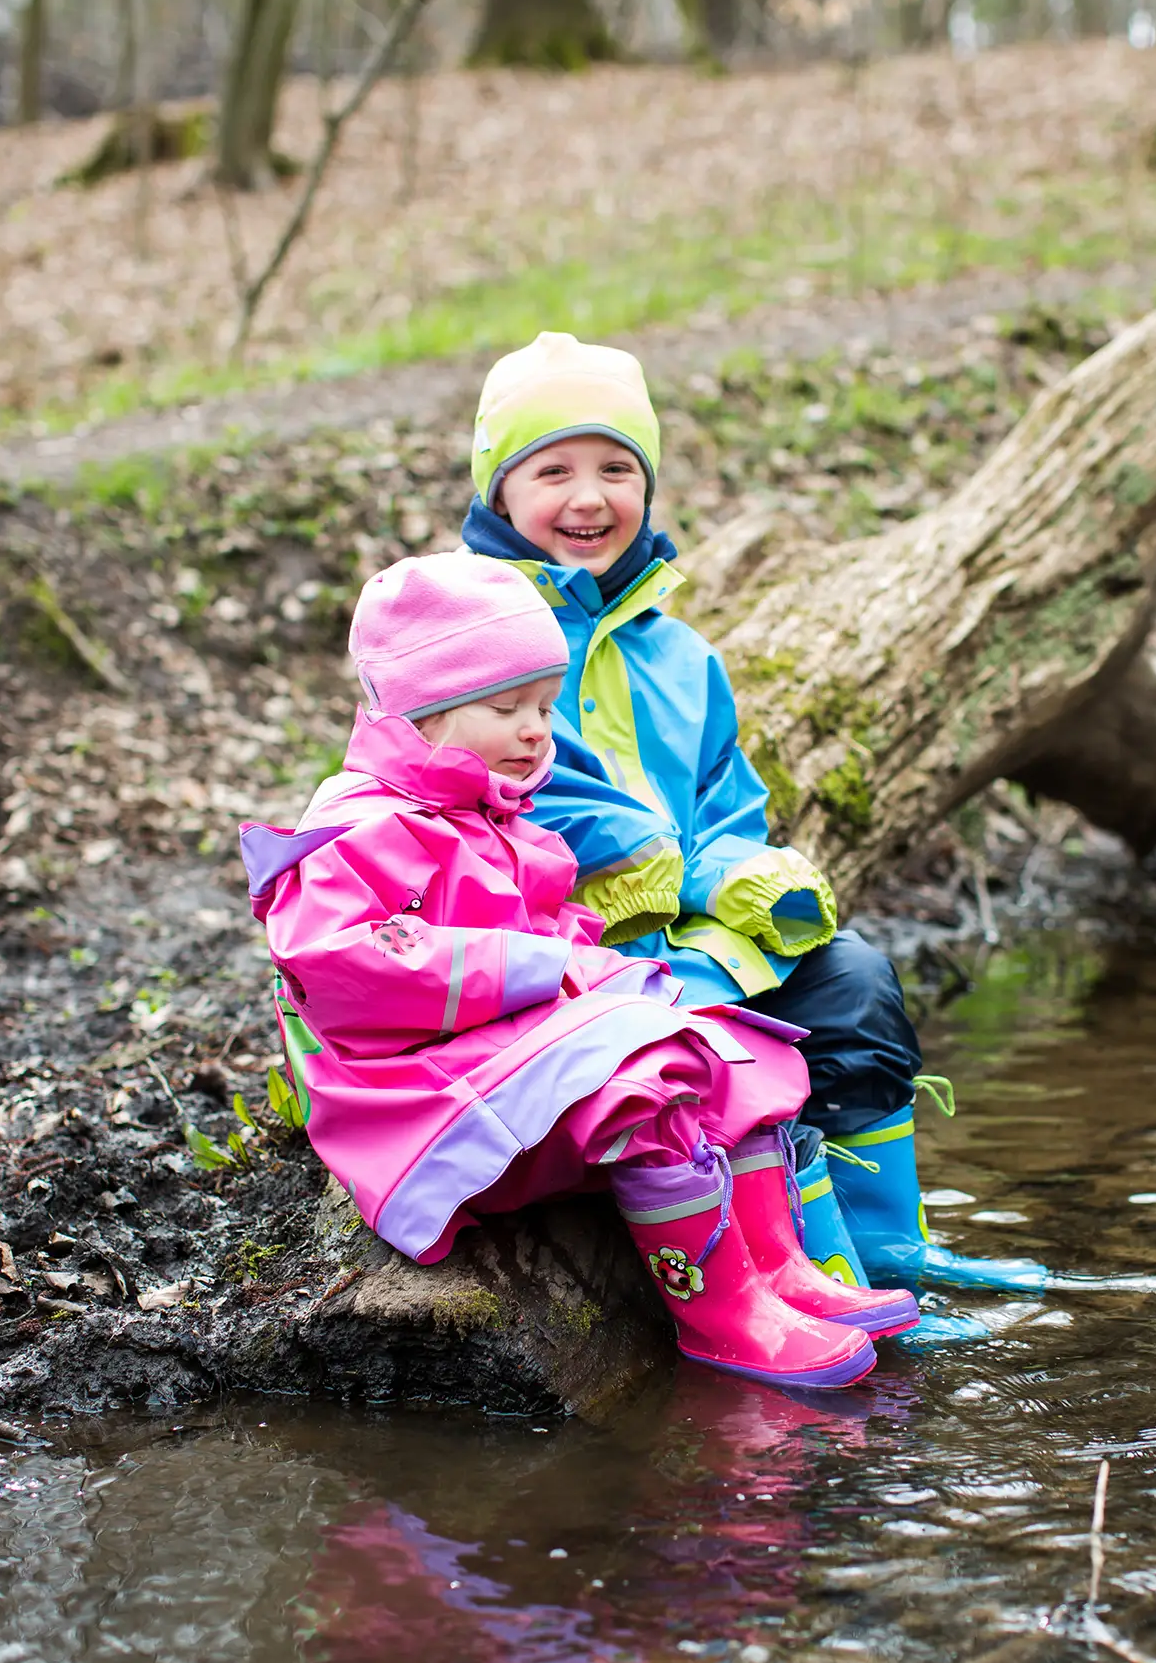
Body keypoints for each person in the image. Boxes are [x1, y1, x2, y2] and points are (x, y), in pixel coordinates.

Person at [459, 332, 1044, 1314]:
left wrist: (745, 872)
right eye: (552, 469)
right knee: (736, 1051)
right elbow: (525, 798)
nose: (589, 497)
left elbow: (728, 804)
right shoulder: (479, 638)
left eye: (616, 467)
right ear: (499, 493)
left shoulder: (680, 654)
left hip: (686, 932)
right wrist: (688, 875)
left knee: (852, 981)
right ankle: (814, 1279)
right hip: (566, 952)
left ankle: (893, 1240)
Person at [239, 551, 921, 1390]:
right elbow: (348, 965)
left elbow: (560, 931)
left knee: (716, 1044)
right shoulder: (361, 830)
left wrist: (603, 977)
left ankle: (775, 1272)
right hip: (415, 1095)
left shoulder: (484, 812)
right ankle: (719, 1311)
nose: (539, 731)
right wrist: (541, 967)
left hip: (494, 1057)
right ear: (423, 716)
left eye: (545, 706)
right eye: (506, 707)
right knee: (646, 1084)